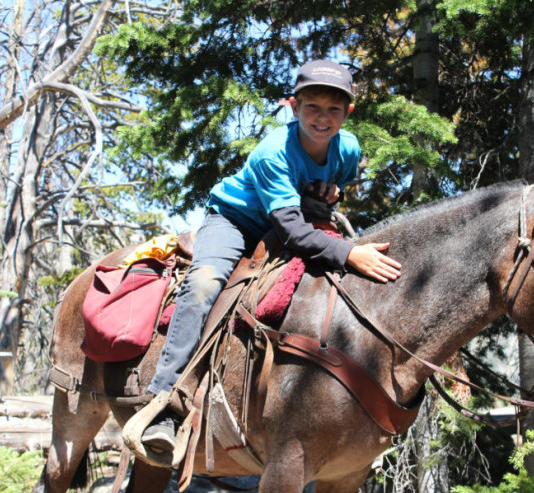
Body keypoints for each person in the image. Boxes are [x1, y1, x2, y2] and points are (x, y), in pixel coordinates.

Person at [136, 59, 402, 454]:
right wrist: (349, 253)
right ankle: (163, 402)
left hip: (292, 220)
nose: (322, 118)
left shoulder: (348, 149)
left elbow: (331, 187)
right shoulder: (272, 151)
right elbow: (293, 231)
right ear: (293, 107)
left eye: (334, 109)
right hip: (237, 221)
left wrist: (330, 195)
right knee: (204, 283)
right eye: (312, 107)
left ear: (348, 112)